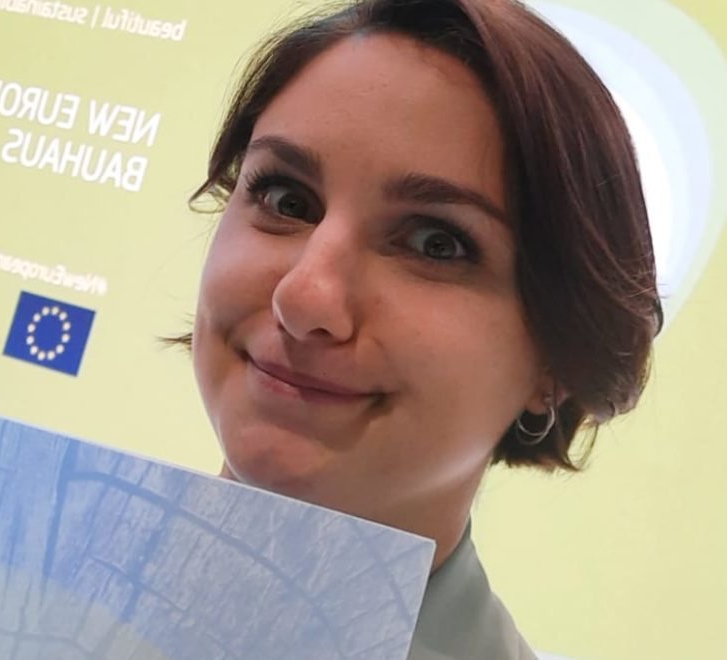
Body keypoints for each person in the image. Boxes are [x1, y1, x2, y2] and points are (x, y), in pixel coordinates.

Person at [172, 0, 662, 657]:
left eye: (436, 243)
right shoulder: (31, 578)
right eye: (287, 199)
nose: (306, 297)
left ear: (555, 358)